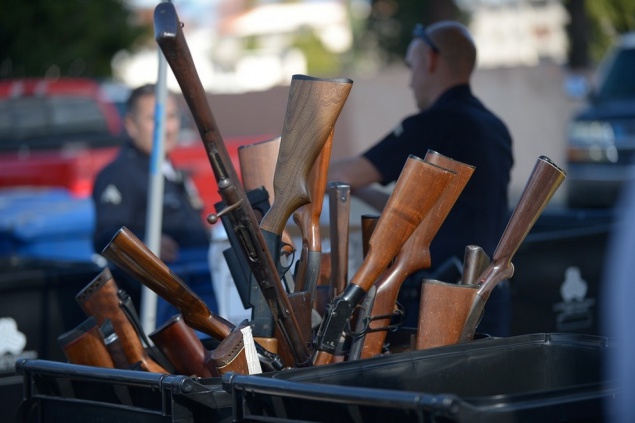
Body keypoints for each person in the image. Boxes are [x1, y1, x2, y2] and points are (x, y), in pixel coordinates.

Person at [329, 21, 514, 336]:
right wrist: (361, 190)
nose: (411, 82)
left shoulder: (440, 122)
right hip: (488, 298)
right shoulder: (494, 126)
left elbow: (347, 172)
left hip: (440, 303)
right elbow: (424, 214)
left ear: (430, 59)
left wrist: (293, 174)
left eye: (411, 67)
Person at [92, 83, 218, 326]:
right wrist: (145, 243)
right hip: (162, 314)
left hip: (197, 294)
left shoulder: (171, 173)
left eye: (171, 117)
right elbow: (105, 236)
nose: (167, 128)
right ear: (130, 124)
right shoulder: (119, 175)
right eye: (154, 119)